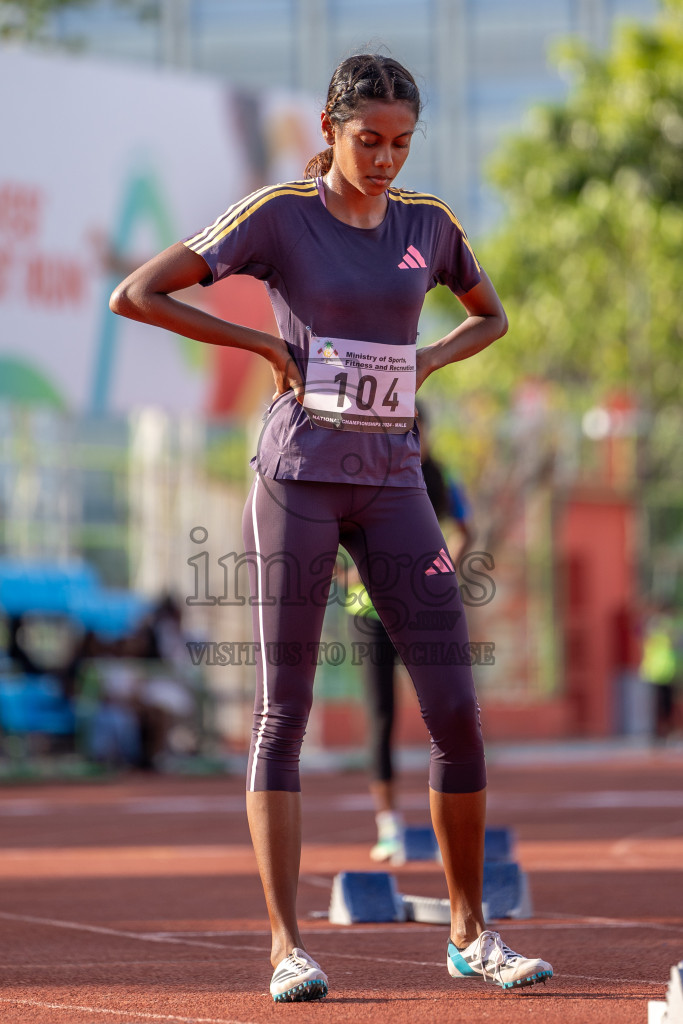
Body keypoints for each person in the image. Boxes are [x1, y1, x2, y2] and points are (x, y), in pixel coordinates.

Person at [110, 52, 552, 1001]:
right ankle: (285, 947)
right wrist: (264, 342)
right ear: (329, 126)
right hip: (299, 478)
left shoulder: (428, 227)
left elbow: (491, 317)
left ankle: (472, 934)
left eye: (400, 142)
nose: (385, 159)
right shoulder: (277, 213)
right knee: (285, 714)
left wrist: (426, 361)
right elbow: (138, 292)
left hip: (391, 478)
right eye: (367, 140)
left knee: (455, 715)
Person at [345, 401, 477, 862]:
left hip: (423, 608)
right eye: (405, 428)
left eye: (420, 429)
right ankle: (388, 827)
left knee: (445, 709)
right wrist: (355, 571)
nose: (414, 438)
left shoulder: (439, 476)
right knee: (381, 715)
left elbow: (465, 529)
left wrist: (440, 572)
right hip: (369, 612)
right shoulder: (366, 470)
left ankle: (452, 822)